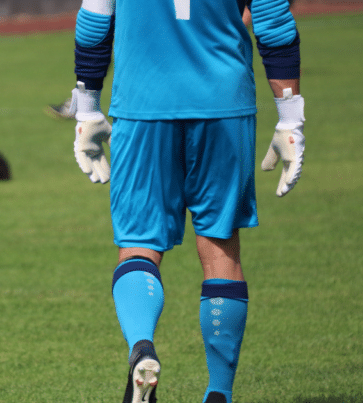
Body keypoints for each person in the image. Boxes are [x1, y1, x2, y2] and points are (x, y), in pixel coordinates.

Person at [68, 0, 305, 402]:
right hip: (224, 103)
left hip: (143, 106)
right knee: (220, 246)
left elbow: (94, 20)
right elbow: (273, 20)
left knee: (139, 244)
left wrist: (87, 109)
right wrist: (290, 118)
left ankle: (142, 347)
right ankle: (218, 393)